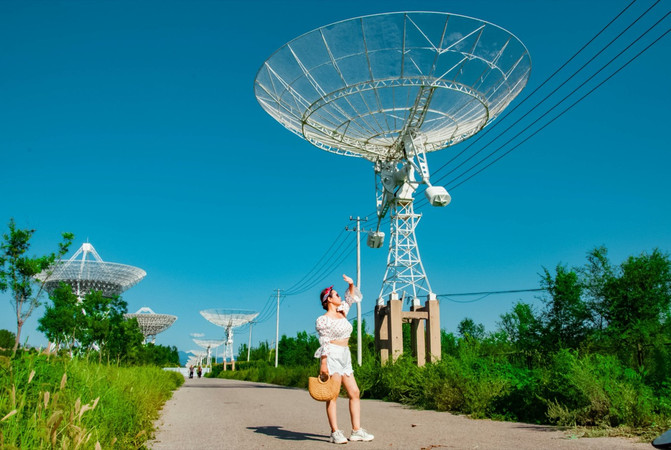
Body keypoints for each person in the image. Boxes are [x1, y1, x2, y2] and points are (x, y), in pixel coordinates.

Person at [315, 274, 374, 444]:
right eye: (336, 294)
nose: (339, 296)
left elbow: (350, 298)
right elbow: (325, 341)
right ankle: (335, 432)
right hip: (332, 354)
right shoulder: (323, 320)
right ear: (329, 299)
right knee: (332, 395)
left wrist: (351, 284)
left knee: (354, 392)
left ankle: (356, 431)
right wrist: (323, 363)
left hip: (345, 354)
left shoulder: (342, 312)